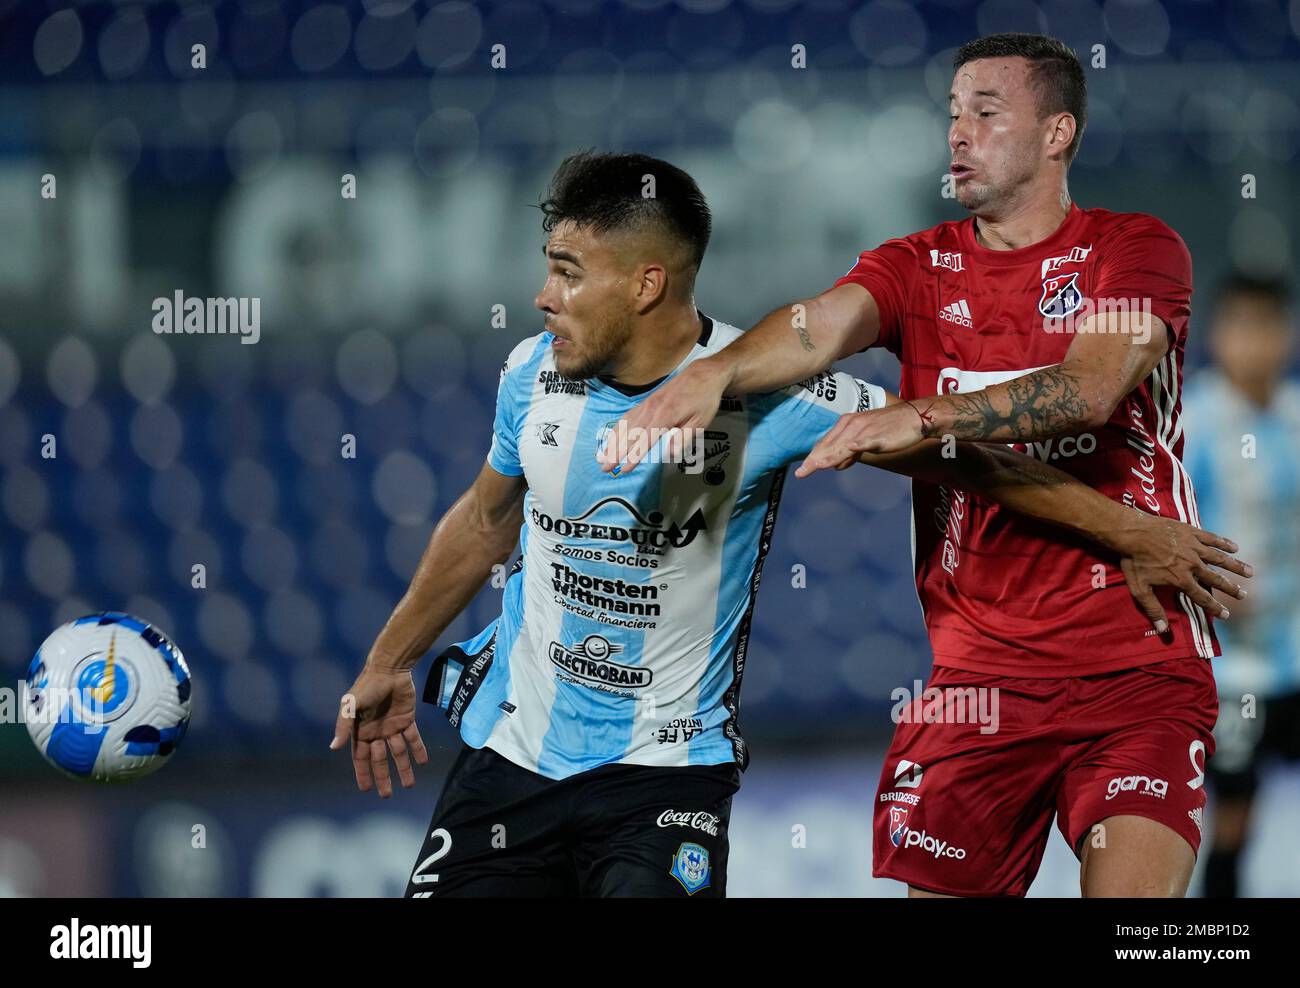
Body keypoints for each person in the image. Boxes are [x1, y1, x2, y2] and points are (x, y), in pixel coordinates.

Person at [331, 150, 1245, 898]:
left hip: (662, 778)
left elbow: (974, 465)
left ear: (646, 282)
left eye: (567, 273)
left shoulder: (776, 398)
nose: (542, 295)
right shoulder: (531, 375)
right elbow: (487, 521)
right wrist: (387, 660)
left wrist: (1127, 529)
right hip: (510, 760)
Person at [600, 35, 1252, 897]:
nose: (957, 135)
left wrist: (921, 414)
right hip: (975, 676)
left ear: (1058, 133)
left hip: (1138, 656)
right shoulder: (913, 266)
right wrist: (716, 373)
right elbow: (815, 326)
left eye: (986, 113)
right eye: (952, 114)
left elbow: (1090, 391)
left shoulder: (1136, 250)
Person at [1183, 273, 1300, 897]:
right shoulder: (1194, 424)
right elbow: (1156, 527)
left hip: (1297, 650)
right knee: (1231, 824)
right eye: (1242, 326)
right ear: (1219, 335)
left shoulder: (1295, 414)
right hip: (1233, 670)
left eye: (1270, 326)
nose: (1256, 343)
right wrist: (1209, 584)